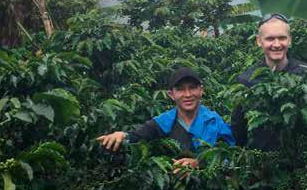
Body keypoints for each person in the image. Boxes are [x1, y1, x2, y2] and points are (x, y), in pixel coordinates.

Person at [97, 67, 235, 172]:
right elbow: (137, 136)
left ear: (201, 90)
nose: (187, 94)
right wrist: (121, 135)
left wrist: (200, 163)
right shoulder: (163, 121)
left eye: (192, 88)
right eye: (180, 89)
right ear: (171, 95)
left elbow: (231, 156)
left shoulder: (214, 121)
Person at [231, 13, 307, 150]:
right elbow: (238, 128)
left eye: (282, 38)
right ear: (259, 41)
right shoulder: (246, 80)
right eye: (270, 39)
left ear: (290, 40)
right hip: (263, 163)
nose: (276, 44)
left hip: (302, 161)